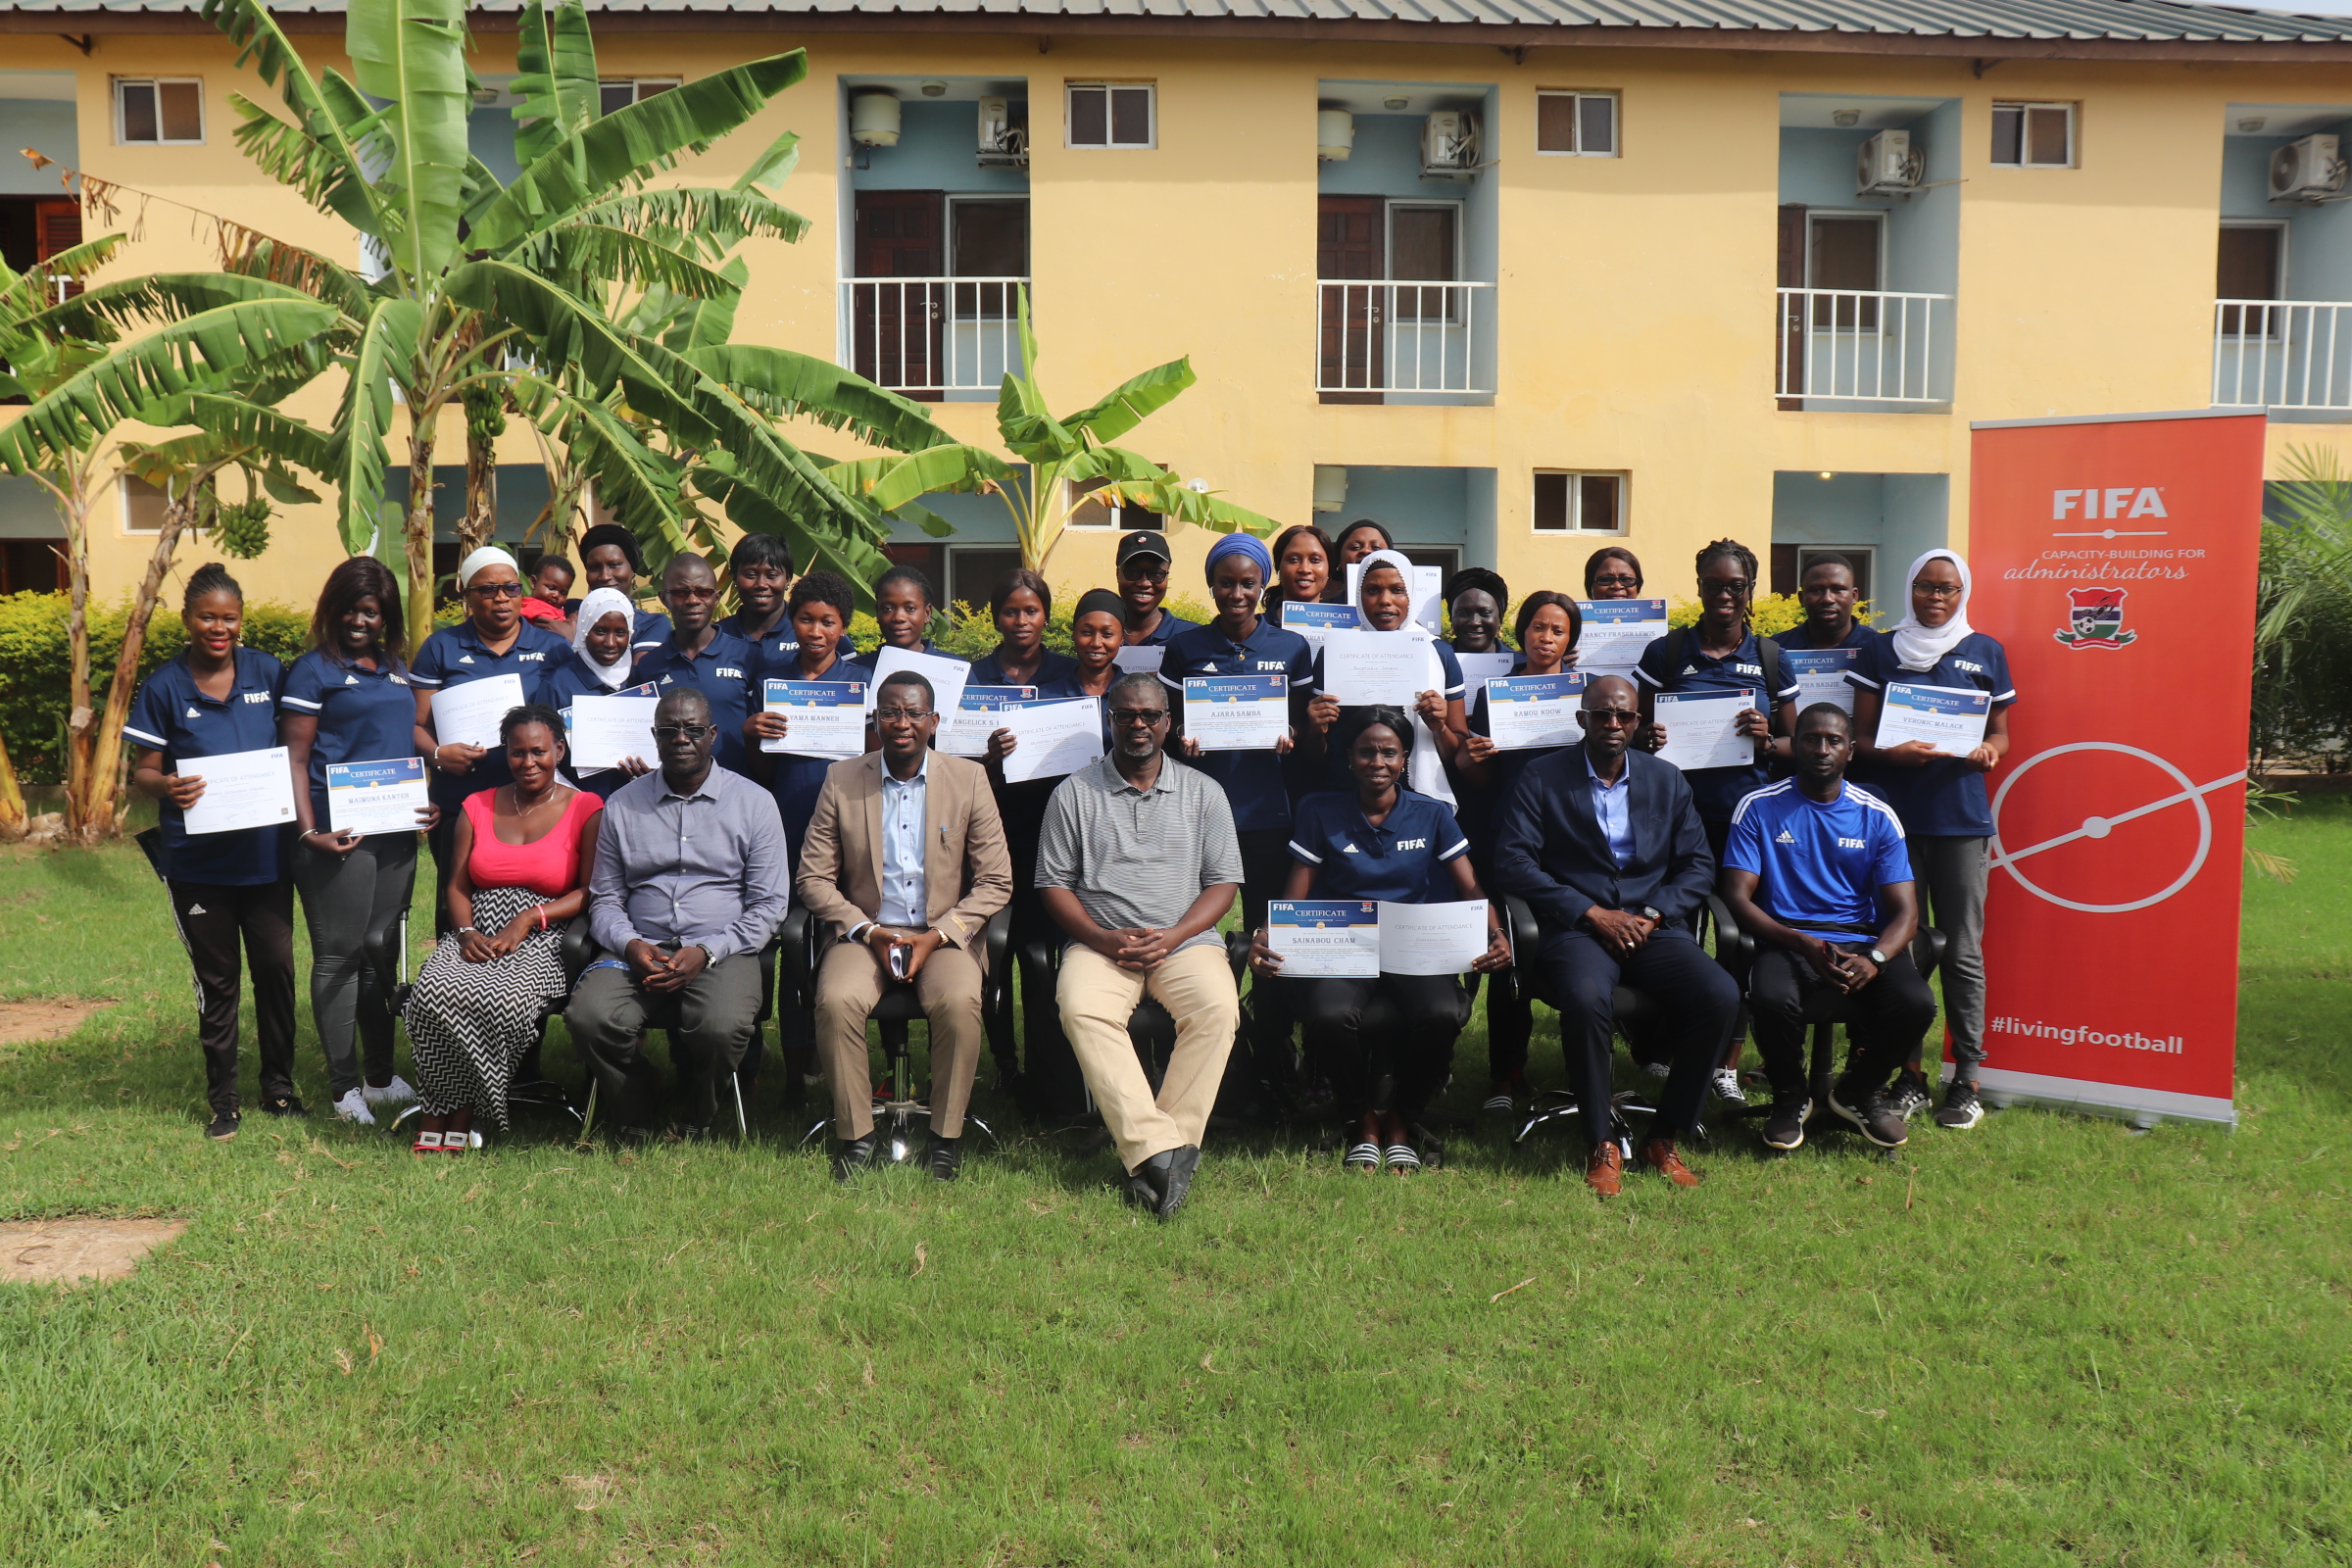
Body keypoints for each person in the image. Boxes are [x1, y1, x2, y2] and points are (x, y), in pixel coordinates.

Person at [1491, 675, 1740, 1198]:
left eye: (1624, 716)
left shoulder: (1667, 779)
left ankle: (1665, 1134)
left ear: (1637, 722)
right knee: (1585, 998)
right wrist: (1590, 912)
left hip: (1650, 926)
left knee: (1720, 995)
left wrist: (1651, 914)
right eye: (1602, 714)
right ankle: (1599, 1140)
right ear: (1582, 719)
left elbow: (1697, 866)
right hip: (1576, 929)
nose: (1613, 724)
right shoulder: (1542, 777)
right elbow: (1513, 861)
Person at [1251, 708, 1510, 1171]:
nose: (1377, 761)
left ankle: (1402, 1118)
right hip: (1346, 948)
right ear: (1348, 758)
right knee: (1329, 1015)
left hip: (1415, 946)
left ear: (1405, 759)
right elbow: (1297, 890)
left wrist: (1496, 932)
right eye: (1366, 751)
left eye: (1388, 752)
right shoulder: (1320, 811)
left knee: (1441, 1011)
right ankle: (1361, 1116)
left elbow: (1471, 887)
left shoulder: (1432, 814)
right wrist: (1268, 935)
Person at [1037, 673, 1244, 1220]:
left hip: (1185, 941)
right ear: (1111, 721)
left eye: (1149, 715)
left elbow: (1223, 883)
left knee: (1219, 1010)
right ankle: (1162, 1151)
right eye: (1126, 715)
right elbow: (1053, 885)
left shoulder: (1205, 792)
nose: (1138, 725)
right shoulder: (1074, 793)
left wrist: (1174, 936)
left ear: (1168, 723)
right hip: (1101, 943)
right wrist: (1103, 937)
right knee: (1081, 1008)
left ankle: (1156, 1148)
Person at [797, 671, 1013, 1181]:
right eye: (891, 712)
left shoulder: (968, 779)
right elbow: (813, 878)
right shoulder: (842, 779)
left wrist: (938, 935)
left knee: (960, 1002)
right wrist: (867, 931)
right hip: (867, 931)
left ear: (934, 722)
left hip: (943, 934)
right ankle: (856, 1137)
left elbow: (997, 880)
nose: (902, 724)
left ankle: (945, 1137)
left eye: (915, 713)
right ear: (876, 720)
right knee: (835, 1000)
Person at [567, 687, 792, 1141]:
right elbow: (605, 898)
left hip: (723, 947)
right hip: (640, 946)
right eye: (669, 730)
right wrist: (630, 944)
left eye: (692, 729)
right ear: (655, 736)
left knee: (720, 1026)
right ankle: (636, 1102)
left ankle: (698, 1111)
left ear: (712, 735)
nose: (681, 738)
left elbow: (770, 905)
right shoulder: (623, 805)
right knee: (588, 1017)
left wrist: (706, 951)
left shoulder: (755, 803)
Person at [125, 564, 298, 1141]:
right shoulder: (163, 686)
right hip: (197, 866)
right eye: (207, 617)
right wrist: (166, 785)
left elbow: (295, 750)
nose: (217, 627)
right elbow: (143, 770)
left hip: (266, 859)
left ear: (240, 621)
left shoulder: (269, 673)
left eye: (228, 618)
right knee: (218, 980)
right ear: (187, 620)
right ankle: (223, 1101)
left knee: (275, 970)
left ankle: (278, 1088)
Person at [1848, 548, 2014, 1133]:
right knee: (1905, 947)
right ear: (1910, 588)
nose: (1935, 597)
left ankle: (1966, 1077)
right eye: (1925, 586)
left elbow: (2000, 731)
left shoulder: (1985, 651)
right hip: (1893, 822)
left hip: (1962, 822)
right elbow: (1858, 739)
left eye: (1947, 588)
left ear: (1963, 592)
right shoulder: (1879, 648)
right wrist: (1889, 754)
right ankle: (1909, 1074)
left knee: (1964, 949)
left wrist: (1993, 750)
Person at [1719, 704, 1934, 1152]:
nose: (1821, 748)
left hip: (1859, 941)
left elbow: (1907, 914)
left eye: (1833, 741)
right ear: (1792, 746)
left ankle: (1858, 1091)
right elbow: (1737, 898)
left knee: (1916, 1003)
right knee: (1773, 997)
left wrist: (1874, 959)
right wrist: (1801, 941)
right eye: (1810, 738)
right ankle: (1790, 1095)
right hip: (1786, 937)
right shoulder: (1758, 806)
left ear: (1850, 751)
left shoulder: (1876, 814)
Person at [1632, 538, 1799, 1104]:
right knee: (1672, 930)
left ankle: (1726, 1059)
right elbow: (1631, 730)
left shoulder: (1772, 657)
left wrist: (1767, 737)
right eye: (1713, 583)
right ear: (1698, 584)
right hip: (1672, 818)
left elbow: (1796, 745)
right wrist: (1646, 738)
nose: (1724, 595)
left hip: (1744, 821)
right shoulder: (1666, 652)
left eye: (1736, 586)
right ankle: (1662, 1045)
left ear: (1750, 591)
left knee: (1741, 939)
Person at [400, 705, 603, 1152]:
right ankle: (438, 1104)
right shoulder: (477, 804)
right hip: (477, 927)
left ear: (560, 751)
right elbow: (456, 883)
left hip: (546, 932)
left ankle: (469, 1108)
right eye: (517, 753)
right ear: (505, 755)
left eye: (539, 751)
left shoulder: (587, 806)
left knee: (497, 1000)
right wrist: (467, 932)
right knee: (432, 993)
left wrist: (530, 918)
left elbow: (590, 889)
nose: (528, 762)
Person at [1159, 532, 1315, 1107]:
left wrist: (1293, 738)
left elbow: (1308, 737)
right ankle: (1207, 1055)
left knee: (1269, 940)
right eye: (1226, 582)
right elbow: (1167, 734)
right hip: (1200, 815)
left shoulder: (1293, 648)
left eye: (1248, 583)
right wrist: (1182, 745)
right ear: (1211, 585)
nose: (1237, 592)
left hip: (1268, 816)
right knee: (1195, 936)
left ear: (1262, 585)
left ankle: (1275, 1053)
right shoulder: (1185, 649)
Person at [278, 557, 430, 1126]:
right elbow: (294, 759)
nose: (359, 620)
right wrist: (308, 831)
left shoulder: (394, 668)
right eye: (349, 609)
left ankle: (381, 1075)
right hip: (337, 836)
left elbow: (401, 742)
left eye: (371, 610)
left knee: (380, 950)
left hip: (395, 834)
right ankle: (344, 1091)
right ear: (331, 609)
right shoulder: (312, 671)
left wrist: (424, 800)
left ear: (386, 614)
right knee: (340, 955)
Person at [1455, 589, 1581, 1116]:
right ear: (1521, 631)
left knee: (1573, 949)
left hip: (1574, 842)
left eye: (1557, 630)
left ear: (1571, 639)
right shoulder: (1495, 693)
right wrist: (1473, 754)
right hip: (1510, 838)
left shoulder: (1585, 692)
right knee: (1508, 955)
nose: (1546, 638)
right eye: (1537, 627)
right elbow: (1480, 778)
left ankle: (1584, 1070)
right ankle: (1505, 1074)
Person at [742, 569, 866, 1097]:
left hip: (852, 826)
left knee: (843, 939)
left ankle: (839, 1054)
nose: (816, 631)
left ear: (844, 627)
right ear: (792, 622)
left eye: (828, 622)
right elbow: (762, 772)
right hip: (789, 821)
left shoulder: (861, 683)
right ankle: (795, 1069)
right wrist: (752, 734)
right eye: (807, 619)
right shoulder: (772, 678)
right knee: (795, 942)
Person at [410, 547, 570, 934]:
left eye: (511, 588)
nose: (501, 598)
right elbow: (415, 725)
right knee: (458, 909)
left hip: (536, 807)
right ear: (466, 595)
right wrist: (436, 754)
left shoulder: (552, 648)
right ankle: (456, 977)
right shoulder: (441, 647)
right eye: (488, 590)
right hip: (459, 803)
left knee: (534, 903)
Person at [1016, 588, 1130, 1114]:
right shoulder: (1046, 690)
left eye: (1107, 632)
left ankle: (1122, 1082)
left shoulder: (1137, 692)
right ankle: (1052, 1087)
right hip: (1051, 829)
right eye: (1087, 630)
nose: (1096, 641)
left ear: (1122, 637)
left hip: (1120, 843)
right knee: (1043, 960)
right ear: (1072, 633)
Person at [1305, 548, 1466, 804]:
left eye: (1397, 590)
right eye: (1372, 591)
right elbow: (1316, 755)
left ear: (1410, 595)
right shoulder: (1334, 653)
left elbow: (1457, 753)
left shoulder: (1439, 653)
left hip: (1418, 800)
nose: (1385, 600)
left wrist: (1439, 727)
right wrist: (1315, 729)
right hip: (1345, 798)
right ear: (1358, 596)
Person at [629, 553, 758, 778]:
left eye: (703, 592)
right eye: (680, 593)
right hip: (670, 793)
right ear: (663, 598)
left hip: (735, 791)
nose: (692, 600)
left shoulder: (748, 655)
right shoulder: (648, 665)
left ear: (716, 597)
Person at [535, 586, 652, 802]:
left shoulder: (641, 681)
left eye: (620, 632)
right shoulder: (558, 685)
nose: (610, 643)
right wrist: (576, 800)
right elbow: (542, 754)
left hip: (638, 806)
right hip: (576, 806)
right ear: (584, 629)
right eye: (600, 631)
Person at [572, 522, 672, 653]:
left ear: (633, 571)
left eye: (614, 565)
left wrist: (574, 638)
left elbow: (641, 671)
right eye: (594, 567)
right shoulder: (569, 611)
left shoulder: (650, 624)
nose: (604, 576)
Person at [849, 564, 962, 668]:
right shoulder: (856, 672)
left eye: (910, 609)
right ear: (878, 612)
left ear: (927, 613)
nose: (898, 617)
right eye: (887, 609)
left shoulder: (954, 670)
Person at [1111, 531, 1198, 651]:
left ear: (1167, 577)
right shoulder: (1100, 637)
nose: (1144, 583)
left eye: (1156, 574)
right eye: (1132, 572)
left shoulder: (1192, 637)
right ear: (1117, 574)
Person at [1787, 553, 1871, 652]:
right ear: (1802, 598)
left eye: (1838, 589)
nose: (1827, 599)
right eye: (1817, 590)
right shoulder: (1775, 651)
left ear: (1854, 596)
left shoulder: (1880, 649)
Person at [1261, 522, 1339, 620]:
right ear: (1279, 567)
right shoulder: (1253, 631)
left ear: (1329, 569)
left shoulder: (1346, 627)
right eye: (1294, 559)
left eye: (1315, 560)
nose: (1305, 569)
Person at [521, 555, 573, 627]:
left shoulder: (551, 608)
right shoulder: (533, 608)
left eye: (563, 593)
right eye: (551, 588)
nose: (556, 595)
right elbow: (557, 628)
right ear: (534, 582)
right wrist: (572, 622)